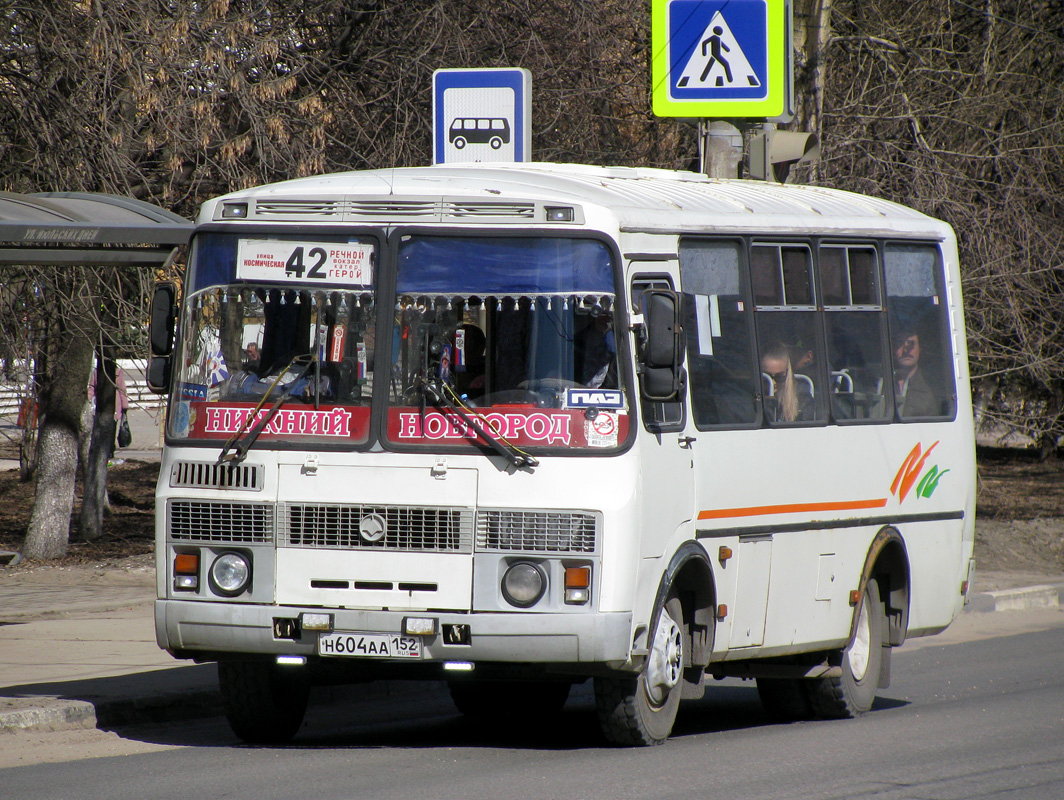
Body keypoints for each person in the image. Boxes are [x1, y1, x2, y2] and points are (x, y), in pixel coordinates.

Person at [761, 342, 813, 423]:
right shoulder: (750, 399)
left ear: (788, 374)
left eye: (779, 377)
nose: (773, 383)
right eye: (767, 378)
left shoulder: (803, 400)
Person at [892, 330, 938, 417]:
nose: (905, 350)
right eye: (900, 344)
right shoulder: (880, 385)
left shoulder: (930, 389)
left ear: (920, 349)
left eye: (911, 344)